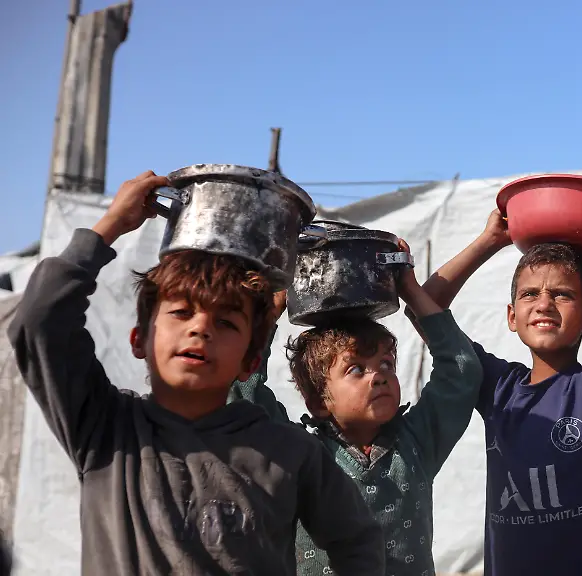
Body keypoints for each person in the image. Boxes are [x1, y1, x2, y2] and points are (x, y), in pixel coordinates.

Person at [7, 171, 385, 576]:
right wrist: (112, 223)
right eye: (181, 312)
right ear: (139, 341)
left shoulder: (290, 451)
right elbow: (40, 319)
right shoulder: (105, 428)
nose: (200, 328)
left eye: (226, 323)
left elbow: (357, 543)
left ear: (250, 361)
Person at [415, 209, 582, 576]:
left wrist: (580, 274)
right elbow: (425, 304)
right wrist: (489, 241)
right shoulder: (495, 387)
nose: (544, 303)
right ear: (512, 317)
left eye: (562, 295)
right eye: (530, 294)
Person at [229, 240, 484, 576]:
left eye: (386, 364)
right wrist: (270, 312)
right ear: (319, 401)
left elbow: (462, 371)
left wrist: (409, 289)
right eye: (356, 370)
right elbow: (242, 391)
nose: (378, 376)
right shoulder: (301, 453)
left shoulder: (418, 443)